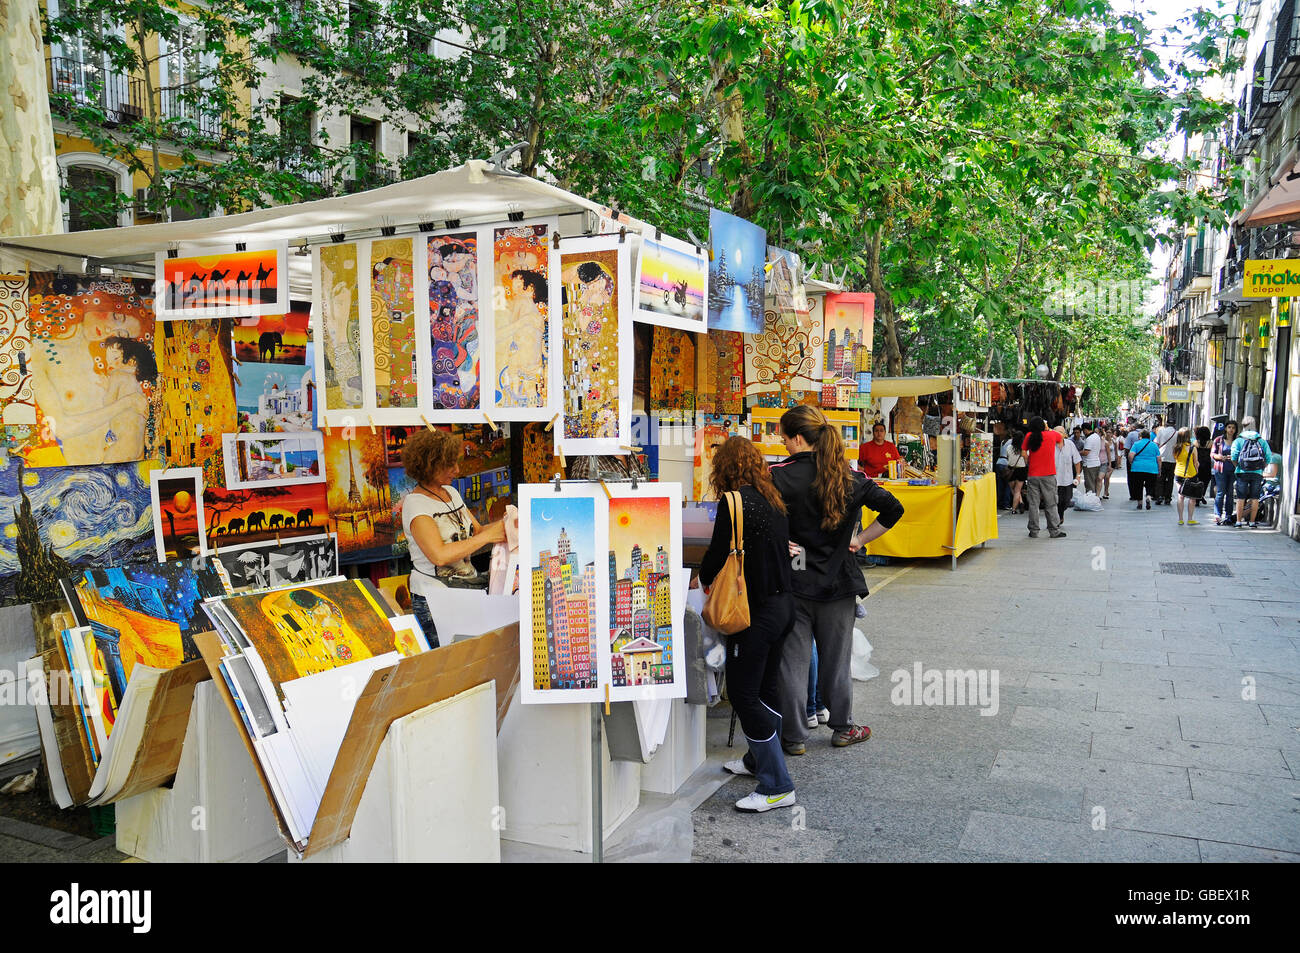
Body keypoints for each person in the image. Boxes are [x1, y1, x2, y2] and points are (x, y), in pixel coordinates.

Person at [770, 405, 903, 754]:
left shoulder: (777, 476)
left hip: (795, 576)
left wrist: (777, 541)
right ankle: (843, 728)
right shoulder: (849, 477)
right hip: (838, 580)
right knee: (836, 660)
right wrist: (859, 540)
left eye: (784, 437)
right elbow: (894, 509)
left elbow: (754, 513)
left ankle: (793, 736)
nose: (782, 443)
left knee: (793, 662)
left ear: (798, 438)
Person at [697, 437, 798, 813]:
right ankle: (757, 762)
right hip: (782, 606)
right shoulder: (772, 497)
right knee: (765, 689)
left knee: (742, 694)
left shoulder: (734, 502)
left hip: (753, 612)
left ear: (724, 467)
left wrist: (701, 579)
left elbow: (717, 555)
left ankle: (777, 784)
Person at [400, 428, 507, 645]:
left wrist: (507, 525)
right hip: (436, 600)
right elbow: (438, 556)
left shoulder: (451, 492)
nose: (457, 470)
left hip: (464, 592)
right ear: (431, 465)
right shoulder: (415, 504)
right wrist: (488, 537)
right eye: (450, 465)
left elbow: (476, 532)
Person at [1020, 417, 1065, 538]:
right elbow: (1061, 437)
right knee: (1051, 503)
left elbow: (1023, 452)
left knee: (1033, 504)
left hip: (1033, 474)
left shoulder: (1029, 436)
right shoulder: (1051, 435)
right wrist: (1047, 428)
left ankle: (1034, 531)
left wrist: (1029, 461)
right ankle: (1054, 531)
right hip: (1048, 474)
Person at [1231, 416, 1269, 528]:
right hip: (1257, 472)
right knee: (1255, 498)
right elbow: (1268, 457)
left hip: (1242, 472)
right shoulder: (1261, 441)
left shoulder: (1239, 440)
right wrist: (1261, 467)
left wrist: (1238, 466)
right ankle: (1252, 522)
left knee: (1240, 497)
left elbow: (1233, 456)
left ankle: (1238, 521)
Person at [1211, 420, 1238, 526]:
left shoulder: (1237, 441)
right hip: (1220, 469)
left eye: (1233, 428)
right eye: (1229, 427)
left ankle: (1228, 514)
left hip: (1233, 469)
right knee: (1220, 492)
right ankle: (1217, 514)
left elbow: (1241, 453)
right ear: (1226, 428)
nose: (1231, 430)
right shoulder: (1218, 440)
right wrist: (1220, 457)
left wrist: (1234, 458)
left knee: (1230, 493)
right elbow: (1212, 454)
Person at [1053, 425, 1081, 525]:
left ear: (1065, 435)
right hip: (1053, 479)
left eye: (1061, 432)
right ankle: (1056, 519)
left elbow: (1077, 460)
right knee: (1055, 501)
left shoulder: (1070, 444)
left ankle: (1061, 514)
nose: (1058, 434)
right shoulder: (1050, 444)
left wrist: (1078, 475)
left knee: (1066, 501)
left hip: (1067, 479)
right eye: (1056, 432)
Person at [1172, 427, 1199, 525]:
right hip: (1191, 474)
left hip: (1179, 473)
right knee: (1192, 498)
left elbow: (1176, 459)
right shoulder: (1193, 448)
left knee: (1180, 496)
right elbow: (1195, 463)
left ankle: (1180, 519)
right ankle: (1190, 519)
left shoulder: (1176, 448)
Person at [1127, 428, 1160, 509]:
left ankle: (1140, 503)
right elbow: (1159, 459)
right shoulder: (1154, 445)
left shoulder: (1136, 444)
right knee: (1150, 485)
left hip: (1138, 468)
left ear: (1140, 436)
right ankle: (1148, 496)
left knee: (1138, 485)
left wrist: (1131, 463)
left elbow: (1131, 455)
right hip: (1151, 468)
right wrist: (1159, 469)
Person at [1153, 416, 1178, 505]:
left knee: (1160, 478)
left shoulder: (1161, 431)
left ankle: (1159, 496)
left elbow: (1156, 443)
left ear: (1167, 424)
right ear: (1174, 424)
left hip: (1161, 458)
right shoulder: (1177, 433)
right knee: (1170, 479)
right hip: (1173, 459)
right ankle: (1168, 497)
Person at [1005, 430, 1028, 513]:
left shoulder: (1009, 448)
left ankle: (1017, 506)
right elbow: (1026, 459)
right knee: (1018, 490)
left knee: (1013, 489)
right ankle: (1016, 507)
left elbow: (1007, 457)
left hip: (1011, 469)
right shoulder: (1024, 448)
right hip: (1022, 469)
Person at [1080, 421, 1102, 496]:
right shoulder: (1096, 436)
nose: (1083, 433)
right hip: (1096, 463)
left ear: (1085, 430)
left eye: (1083, 431)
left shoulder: (1089, 439)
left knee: (1089, 485)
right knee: (1094, 483)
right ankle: (1094, 499)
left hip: (1089, 464)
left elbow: (1086, 452)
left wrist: (1077, 452)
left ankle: (1090, 501)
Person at [1099, 427, 1114, 499]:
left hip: (1112, 461)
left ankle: (1105, 491)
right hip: (1104, 461)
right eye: (1107, 432)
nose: (1108, 434)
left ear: (1112, 434)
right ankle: (1105, 491)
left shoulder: (1114, 442)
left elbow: (1116, 453)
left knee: (1107, 477)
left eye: (1110, 432)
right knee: (1103, 477)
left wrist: (1116, 462)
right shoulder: (1102, 441)